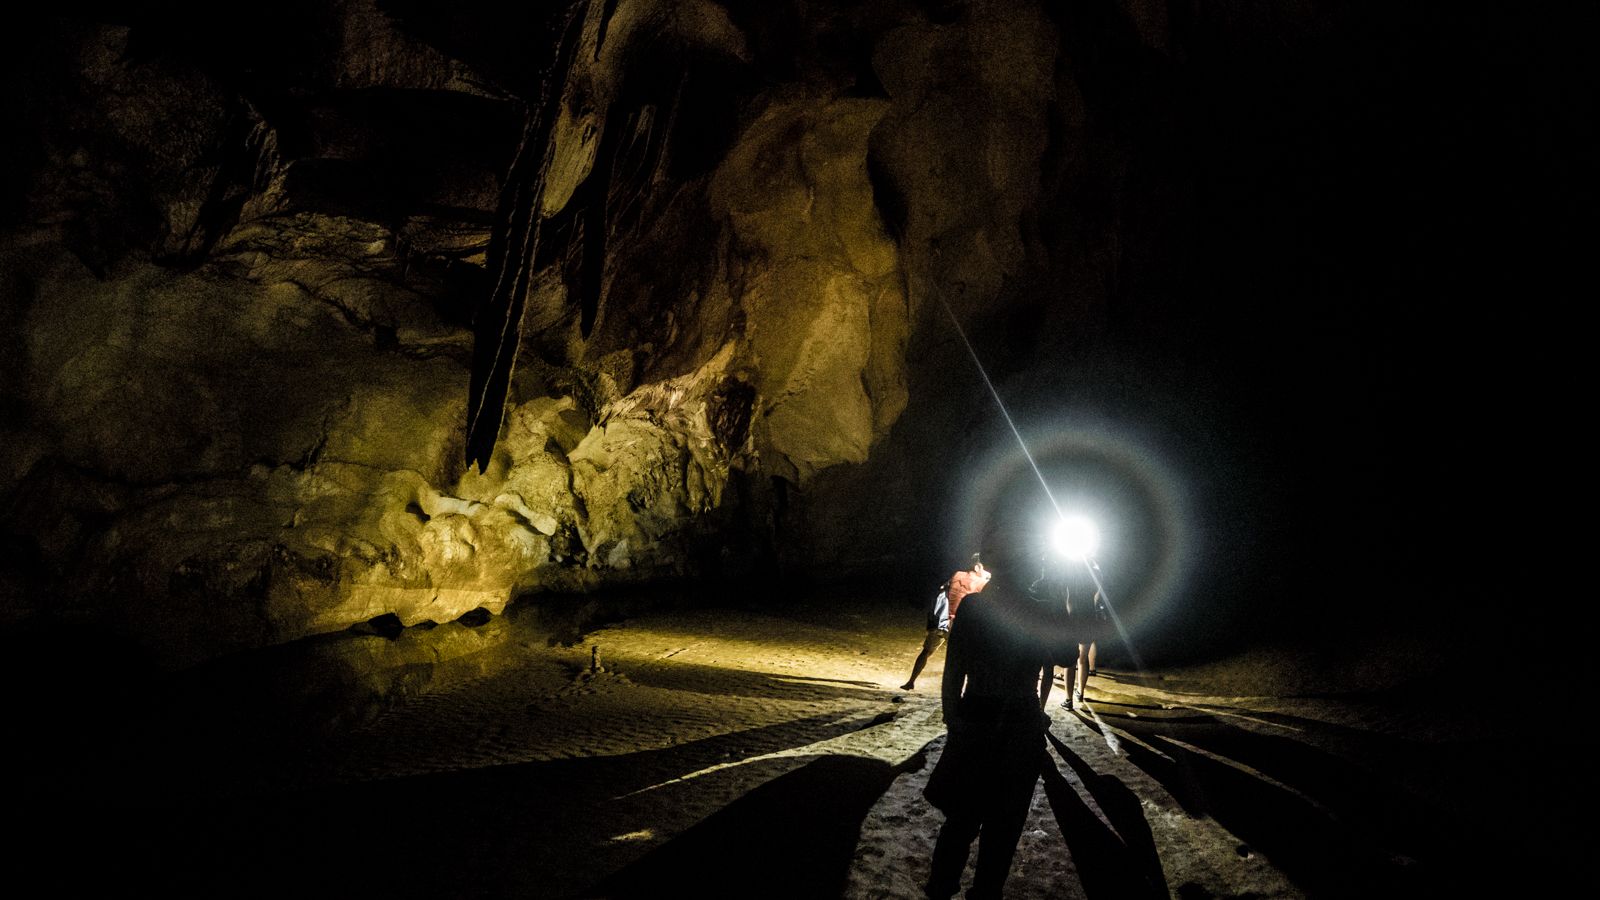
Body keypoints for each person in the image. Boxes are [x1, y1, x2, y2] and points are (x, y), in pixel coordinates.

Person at [921, 563, 1068, 899]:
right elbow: (955, 667)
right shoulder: (995, 608)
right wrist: (953, 719)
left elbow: (1063, 654)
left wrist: (953, 718)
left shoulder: (1017, 608)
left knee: (974, 823)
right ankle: (960, 891)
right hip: (999, 719)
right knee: (981, 825)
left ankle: (951, 890)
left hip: (999, 719)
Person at [902, 554, 992, 691]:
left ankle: (911, 681)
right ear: (977, 567)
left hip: (942, 621)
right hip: (958, 626)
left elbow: (943, 588)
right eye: (984, 567)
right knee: (963, 659)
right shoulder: (980, 583)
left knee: (926, 651)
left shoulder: (957, 575)